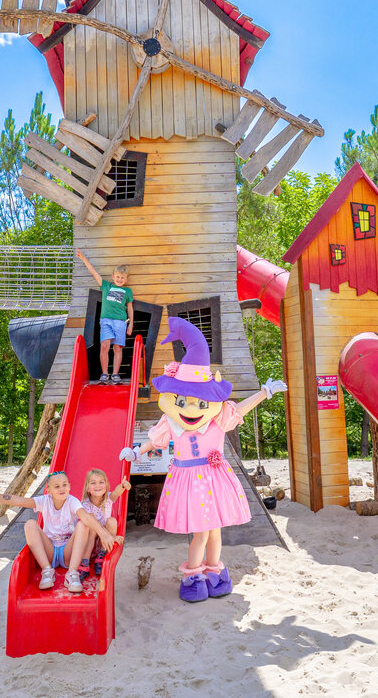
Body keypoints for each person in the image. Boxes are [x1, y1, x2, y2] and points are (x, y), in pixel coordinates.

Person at [120, 317, 286, 602]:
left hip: (216, 480)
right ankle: (193, 576)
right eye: (184, 400)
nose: (192, 408)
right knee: (199, 534)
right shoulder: (171, 422)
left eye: (200, 401)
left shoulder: (216, 419)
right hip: (188, 482)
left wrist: (264, 392)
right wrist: (136, 452)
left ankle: (214, 572)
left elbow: (240, 409)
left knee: (215, 532)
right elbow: (155, 440)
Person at [0, 471, 88, 592]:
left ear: (70, 486)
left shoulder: (72, 501)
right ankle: (47, 570)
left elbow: (86, 517)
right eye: (56, 486)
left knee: (83, 524)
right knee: (30, 524)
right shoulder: (44, 501)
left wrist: (103, 534)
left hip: (68, 552)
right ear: (48, 491)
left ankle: (72, 574)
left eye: (64, 484)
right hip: (49, 550)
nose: (62, 488)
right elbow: (17, 500)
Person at [77, 249, 133, 383]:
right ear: (113, 277)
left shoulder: (127, 291)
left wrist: (130, 324)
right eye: (118, 277)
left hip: (120, 322)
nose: (120, 279)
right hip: (106, 321)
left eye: (122, 277)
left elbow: (130, 309)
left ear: (126, 279)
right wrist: (84, 258)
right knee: (104, 345)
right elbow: (94, 273)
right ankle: (104, 374)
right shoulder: (106, 286)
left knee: (118, 347)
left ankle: (115, 375)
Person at [71, 468, 130, 577]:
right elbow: (90, 524)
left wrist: (123, 486)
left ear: (106, 486)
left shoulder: (108, 498)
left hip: (102, 543)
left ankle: (101, 556)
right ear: (88, 488)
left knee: (112, 521)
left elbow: (117, 492)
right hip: (87, 544)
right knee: (91, 521)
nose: (98, 486)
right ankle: (85, 561)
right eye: (93, 483)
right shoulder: (85, 504)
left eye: (101, 482)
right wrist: (110, 536)